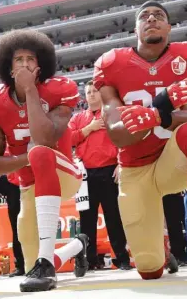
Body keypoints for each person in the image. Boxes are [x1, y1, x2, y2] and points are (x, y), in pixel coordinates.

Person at [93, 1, 187, 283]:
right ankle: (161, 249)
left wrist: (156, 114)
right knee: (149, 270)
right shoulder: (112, 63)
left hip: (174, 160)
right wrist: (163, 106)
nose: (151, 19)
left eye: (159, 15)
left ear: (169, 27)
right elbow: (118, 134)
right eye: (144, 16)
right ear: (135, 28)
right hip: (135, 169)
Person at [0, 29, 89, 292]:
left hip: (63, 173)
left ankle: (47, 261)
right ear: (8, 67)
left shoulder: (58, 89)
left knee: (40, 151)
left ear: (41, 66)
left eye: (31, 59)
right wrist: (25, 160)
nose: (25, 64)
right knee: (32, 265)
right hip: (29, 184)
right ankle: (76, 246)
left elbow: (45, 138)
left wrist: (30, 90)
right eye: (19, 59)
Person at [68, 80, 131, 270]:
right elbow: (67, 138)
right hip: (85, 175)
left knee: (114, 218)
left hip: (109, 170)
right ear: (84, 96)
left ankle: (122, 258)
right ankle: (90, 260)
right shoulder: (78, 118)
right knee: (86, 220)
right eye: (88, 92)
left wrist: (121, 163)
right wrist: (89, 128)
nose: (92, 94)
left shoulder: (111, 114)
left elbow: (124, 138)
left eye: (95, 91)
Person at [0, 172, 25, 277]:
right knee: (19, 233)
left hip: (16, 207)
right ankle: (23, 265)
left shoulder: (5, 177)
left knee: (18, 233)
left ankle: (21, 265)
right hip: (20, 205)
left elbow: (0, 191)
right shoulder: (6, 177)